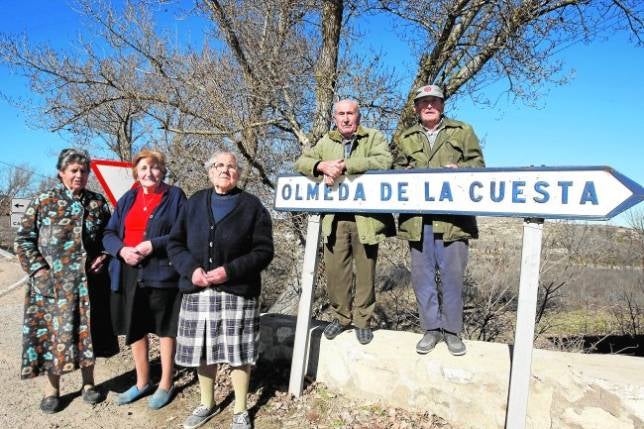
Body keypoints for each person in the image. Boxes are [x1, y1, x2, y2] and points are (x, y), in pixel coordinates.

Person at [168, 151, 273, 429]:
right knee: (203, 351)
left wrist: (230, 271)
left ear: (238, 173)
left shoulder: (252, 206)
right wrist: (191, 269)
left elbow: (264, 251)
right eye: (218, 165)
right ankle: (207, 403)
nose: (225, 170)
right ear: (209, 170)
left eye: (231, 166)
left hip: (237, 291)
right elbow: (175, 244)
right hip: (198, 291)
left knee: (239, 351)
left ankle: (240, 409)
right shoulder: (193, 204)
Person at [14, 148, 118, 413]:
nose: (79, 175)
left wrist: (104, 256)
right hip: (52, 286)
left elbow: (110, 235)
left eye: (84, 171)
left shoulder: (97, 202)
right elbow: (23, 239)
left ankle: (89, 384)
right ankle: (52, 390)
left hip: (89, 284)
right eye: (74, 170)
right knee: (53, 336)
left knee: (88, 333)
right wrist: (39, 271)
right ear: (61, 173)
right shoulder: (43, 201)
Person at [393, 84, 485, 356]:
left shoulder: (462, 131)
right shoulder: (404, 137)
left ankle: (453, 331)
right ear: (416, 108)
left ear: (442, 105)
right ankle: (430, 329)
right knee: (422, 278)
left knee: (452, 277)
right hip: (417, 221)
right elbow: (395, 171)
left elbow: (479, 166)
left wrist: (461, 170)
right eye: (424, 102)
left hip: (453, 221)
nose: (429, 106)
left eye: (435, 101)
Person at [295, 99, 395, 345]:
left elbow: (384, 161)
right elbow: (301, 163)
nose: (346, 118)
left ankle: (362, 321)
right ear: (334, 117)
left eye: (350, 113)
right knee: (336, 273)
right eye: (341, 113)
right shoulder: (325, 142)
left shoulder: (373, 137)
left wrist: (345, 166)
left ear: (358, 116)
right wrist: (321, 166)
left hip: (367, 219)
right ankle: (341, 318)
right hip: (334, 219)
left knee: (365, 272)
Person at [103, 149, 186, 409]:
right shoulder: (128, 198)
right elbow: (109, 232)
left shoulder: (175, 196)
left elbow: (182, 232)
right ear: (136, 173)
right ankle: (142, 382)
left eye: (154, 168)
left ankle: (165, 383)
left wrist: (153, 245)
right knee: (136, 327)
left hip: (163, 272)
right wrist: (121, 250)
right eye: (143, 169)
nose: (149, 173)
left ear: (162, 170)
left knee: (164, 328)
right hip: (130, 273)